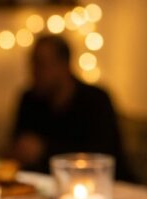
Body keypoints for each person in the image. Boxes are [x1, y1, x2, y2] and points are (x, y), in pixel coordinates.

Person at [10, 35, 132, 180]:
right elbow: (15, 148)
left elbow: (101, 157)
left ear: (64, 65)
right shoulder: (30, 99)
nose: (34, 71)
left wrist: (44, 150)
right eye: (32, 63)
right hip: (47, 187)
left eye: (42, 64)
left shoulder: (95, 100)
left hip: (105, 186)